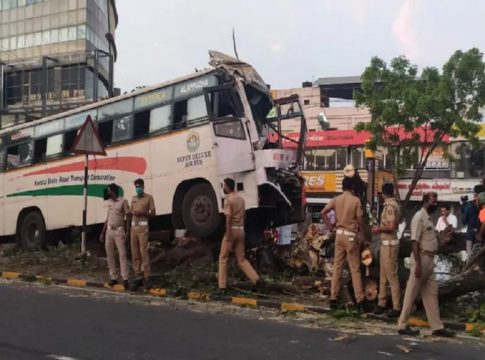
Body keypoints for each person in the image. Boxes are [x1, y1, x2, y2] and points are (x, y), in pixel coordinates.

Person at [397, 192, 455, 337]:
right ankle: (402, 325)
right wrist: (417, 265)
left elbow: (431, 240)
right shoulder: (419, 217)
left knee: (431, 294)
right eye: (433, 202)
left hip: (429, 261)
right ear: (425, 202)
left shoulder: (429, 219)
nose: (435, 205)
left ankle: (436, 326)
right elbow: (415, 242)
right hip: (421, 259)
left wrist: (443, 237)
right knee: (411, 293)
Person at [321, 177, 371, 312]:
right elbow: (360, 221)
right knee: (355, 269)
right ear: (353, 188)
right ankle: (360, 300)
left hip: (338, 235)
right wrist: (364, 236)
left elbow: (323, 212)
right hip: (350, 236)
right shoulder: (355, 200)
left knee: (337, 267)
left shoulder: (336, 199)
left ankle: (333, 298)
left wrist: (330, 227)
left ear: (343, 187)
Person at [218, 178, 260, 293]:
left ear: (227, 187)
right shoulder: (241, 199)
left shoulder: (228, 200)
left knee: (223, 258)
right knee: (241, 259)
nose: (223, 188)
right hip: (241, 230)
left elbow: (228, 218)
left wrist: (228, 234)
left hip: (231, 231)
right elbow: (244, 216)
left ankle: (222, 286)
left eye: (224, 186)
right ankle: (256, 279)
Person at [372, 183, 401, 318]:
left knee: (391, 277)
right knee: (383, 276)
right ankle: (381, 302)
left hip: (389, 245)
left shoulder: (390, 207)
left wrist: (379, 229)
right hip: (386, 245)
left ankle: (396, 306)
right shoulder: (392, 205)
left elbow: (390, 226)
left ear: (383, 194)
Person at [99, 183, 131, 289]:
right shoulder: (110, 203)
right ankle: (113, 277)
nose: (107, 193)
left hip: (119, 231)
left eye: (108, 191)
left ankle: (125, 278)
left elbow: (128, 217)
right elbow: (107, 218)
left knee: (122, 254)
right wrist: (102, 232)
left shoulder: (123, 202)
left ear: (113, 192)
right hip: (109, 231)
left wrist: (127, 232)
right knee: (109, 254)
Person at [129, 178, 156, 291]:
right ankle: (138, 277)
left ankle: (147, 277)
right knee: (135, 253)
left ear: (143, 186)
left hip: (143, 228)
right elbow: (130, 212)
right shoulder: (133, 199)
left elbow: (153, 213)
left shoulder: (148, 197)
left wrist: (142, 213)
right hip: (133, 228)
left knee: (143, 252)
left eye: (139, 186)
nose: (138, 188)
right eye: (136, 186)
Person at [462, 185, 485, 256]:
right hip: (481, 238)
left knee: (470, 258)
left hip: (472, 237)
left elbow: (463, 221)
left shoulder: (469, 205)